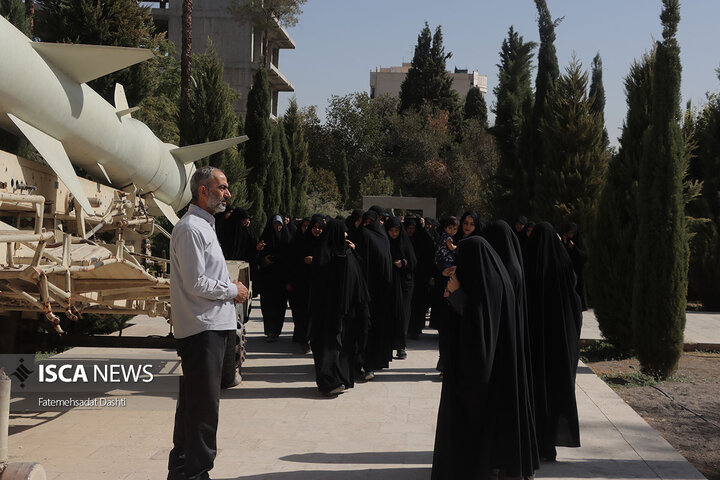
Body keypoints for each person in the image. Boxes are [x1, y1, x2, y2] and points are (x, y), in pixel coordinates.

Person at [167, 166, 249, 480]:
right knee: (202, 411)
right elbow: (195, 282)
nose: (227, 194)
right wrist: (232, 289)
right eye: (222, 188)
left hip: (211, 328)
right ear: (204, 191)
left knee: (194, 406)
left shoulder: (203, 226)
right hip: (202, 330)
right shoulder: (190, 229)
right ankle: (196, 473)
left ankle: (183, 471)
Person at [431, 236, 530, 479]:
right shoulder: (495, 278)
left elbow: (477, 330)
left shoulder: (486, 284)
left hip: (480, 375)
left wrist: (455, 295)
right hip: (500, 367)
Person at [481, 220, 540, 476]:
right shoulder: (515, 265)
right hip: (513, 341)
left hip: (502, 343)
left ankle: (501, 461)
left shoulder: (503, 268)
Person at [524, 222, 583, 462]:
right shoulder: (563, 264)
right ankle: (549, 447)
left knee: (534, 393)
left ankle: (531, 444)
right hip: (560, 346)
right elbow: (576, 307)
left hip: (533, 346)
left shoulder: (528, 265)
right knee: (555, 392)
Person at [309, 219, 371, 395]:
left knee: (342, 347)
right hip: (327, 311)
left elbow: (357, 277)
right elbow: (325, 281)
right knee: (327, 347)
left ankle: (342, 378)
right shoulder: (323, 253)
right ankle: (328, 383)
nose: (345, 236)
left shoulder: (346, 252)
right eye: (343, 232)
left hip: (345, 311)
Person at [357, 210, 393, 379]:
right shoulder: (380, 236)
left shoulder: (370, 236)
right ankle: (366, 364)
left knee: (368, 329)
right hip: (373, 292)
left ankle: (368, 363)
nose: (365, 226)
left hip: (373, 292)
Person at [288, 214, 325, 352]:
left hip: (319, 285)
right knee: (304, 313)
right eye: (314, 227)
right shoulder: (302, 242)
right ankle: (304, 340)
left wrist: (317, 261)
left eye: (320, 228)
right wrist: (303, 261)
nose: (317, 230)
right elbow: (293, 261)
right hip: (303, 284)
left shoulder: (325, 243)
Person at [385, 216, 416, 359]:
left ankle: (400, 346)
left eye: (396, 230)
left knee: (402, 316)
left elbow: (413, 262)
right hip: (389, 284)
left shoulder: (405, 242)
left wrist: (403, 263)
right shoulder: (384, 242)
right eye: (391, 230)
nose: (394, 233)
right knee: (389, 316)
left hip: (404, 285)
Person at [256, 214, 291, 341]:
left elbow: (290, 260)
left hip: (281, 279)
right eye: (275, 224)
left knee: (280, 306)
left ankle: (276, 331)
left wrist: (288, 280)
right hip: (267, 279)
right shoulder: (265, 238)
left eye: (279, 224)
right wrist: (263, 260)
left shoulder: (287, 239)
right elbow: (257, 257)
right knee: (267, 305)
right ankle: (270, 331)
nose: (277, 227)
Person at [405, 217, 435, 338]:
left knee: (419, 305)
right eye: (408, 228)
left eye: (413, 228)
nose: (411, 231)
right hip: (407, 278)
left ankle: (416, 329)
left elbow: (429, 257)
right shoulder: (403, 240)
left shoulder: (424, 239)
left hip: (421, 278)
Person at [563, 222, 589, 311]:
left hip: (578, 269)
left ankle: (581, 306)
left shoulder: (579, 241)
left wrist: (574, 248)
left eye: (572, 233)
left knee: (579, 288)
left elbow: (584, 256)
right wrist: (565, 244)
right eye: (568, 233)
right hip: (568, 269)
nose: (570, 235)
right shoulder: (565, 242)